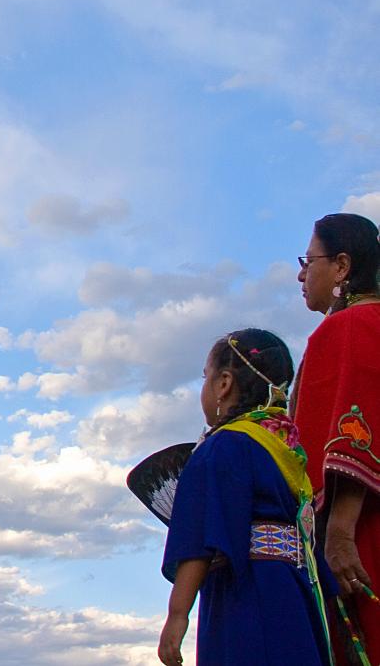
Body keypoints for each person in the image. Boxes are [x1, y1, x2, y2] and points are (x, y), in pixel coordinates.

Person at [157, 329, 331, 666]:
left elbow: (198, 538)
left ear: (224, 384)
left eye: (205, 377)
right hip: (294, 590)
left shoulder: (221, 447)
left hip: (244, 595)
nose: (204, 386)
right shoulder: (287, 450)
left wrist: (177, 615)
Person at [292, 212, 380, 660]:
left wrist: (341, 532)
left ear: (342, 266)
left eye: (311, 260)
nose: (302, 273)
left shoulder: (349, 327)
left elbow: (357, 429)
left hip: (363, 531)